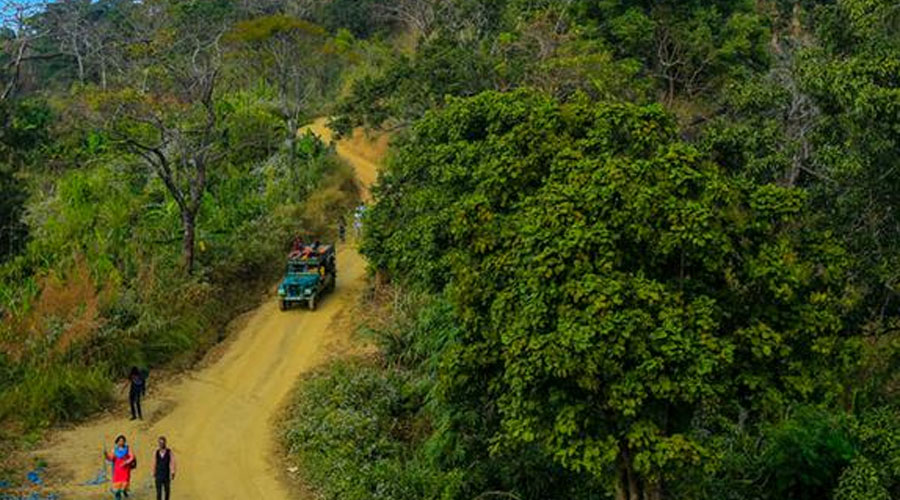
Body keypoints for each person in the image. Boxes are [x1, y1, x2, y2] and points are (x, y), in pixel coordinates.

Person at [104, 435, 135, 500]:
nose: (121, 442)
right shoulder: (114, 450)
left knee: (124, 487)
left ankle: (125, 493)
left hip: (125, 470)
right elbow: (111, 458)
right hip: (117, 471)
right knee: (117, 490)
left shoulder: (127, 449)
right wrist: (106, 455)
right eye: (120, 441)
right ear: (117, 442)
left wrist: (126, 462)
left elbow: (132, 457)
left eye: (123, 441)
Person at [152, 436, 176, 500]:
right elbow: (154, 462)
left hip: (166, 474)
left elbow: (172, 462)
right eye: (160, 443)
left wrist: (173, 472)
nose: (161, 444)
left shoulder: (169, 452)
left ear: (165, 443)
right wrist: (153, 471)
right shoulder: (156, 452)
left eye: (162, 443)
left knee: (167, 490)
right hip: (158, 474)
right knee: (158, 492)